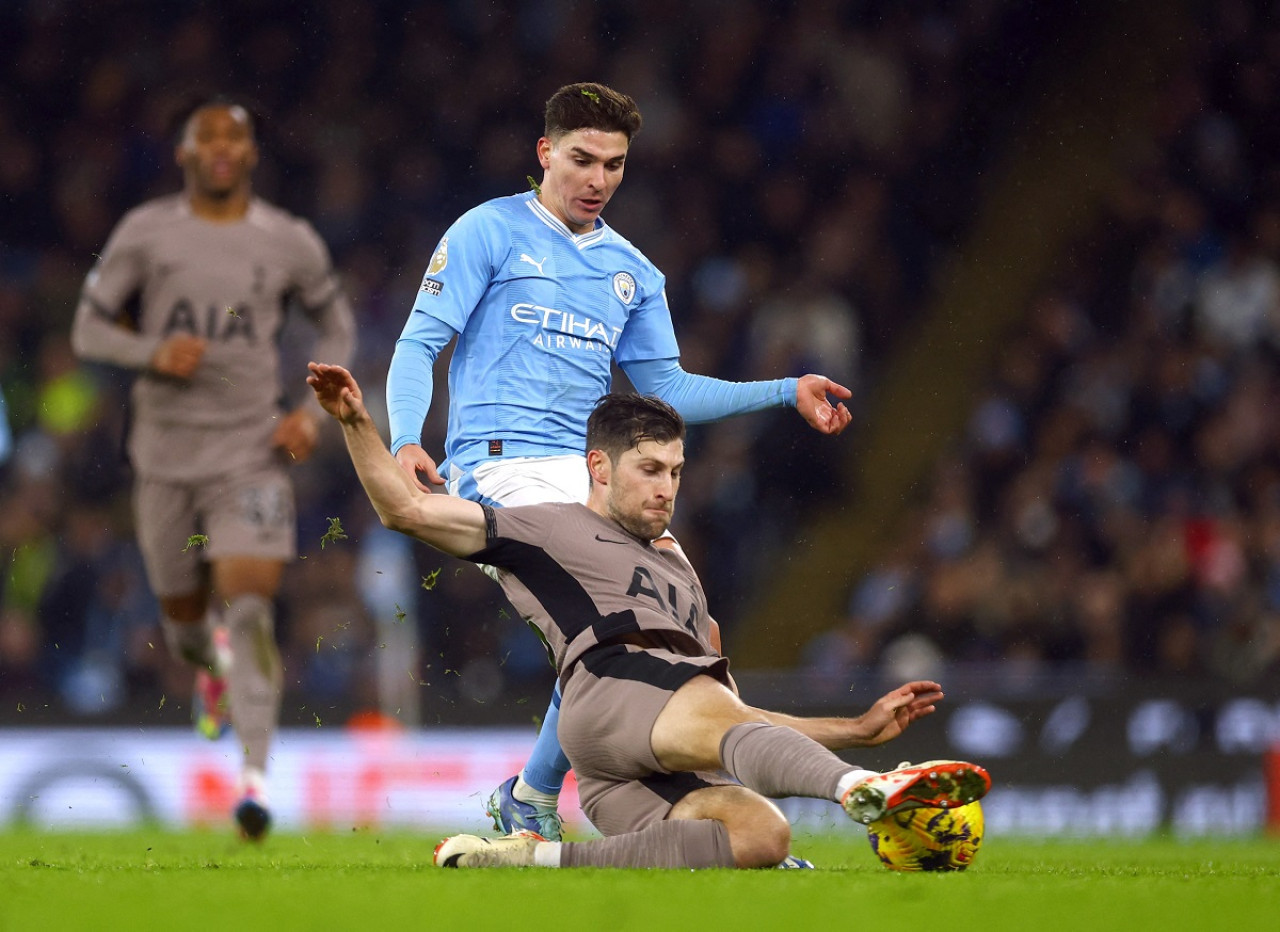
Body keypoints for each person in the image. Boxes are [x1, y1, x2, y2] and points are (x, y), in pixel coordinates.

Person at [386, 80, 854, 842]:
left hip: (588, 475)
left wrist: (783, 390)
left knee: (692, 635)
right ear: (545, 153)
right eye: (581, 159)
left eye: (615, 164)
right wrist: (407, 436)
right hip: (502, 469)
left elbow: (666, 389)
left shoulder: (632, 271)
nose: (598, 180)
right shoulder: (488, 231)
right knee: (620, 625)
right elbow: (420, 342)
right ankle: (550, 796)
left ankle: (654, 813)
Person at [309, 362, 989, 869]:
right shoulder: (547, 526)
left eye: (675, 471)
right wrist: (355, 423)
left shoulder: (680, 571)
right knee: (720, 724)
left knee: (761, 835)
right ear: (598, 468)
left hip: (627, 776)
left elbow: (730, 721)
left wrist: (856, 729)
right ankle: (866, 792)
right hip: (609, 687)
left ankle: (532, 860)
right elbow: (408, 510)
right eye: (650, 470)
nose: (666, 488)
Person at [70, 97, 357, 839]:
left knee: (254, 606)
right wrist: (150, 352)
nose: (223, 149)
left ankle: (254, 784)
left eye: (236, 137)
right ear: (185, 154)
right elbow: (88, 326)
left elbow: (337, 322)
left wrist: (315, 406)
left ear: (252, 152)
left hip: (249, 453)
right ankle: (210, 665)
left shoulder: (287, 239)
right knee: (187, 627)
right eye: (209, 138)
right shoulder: (147, 232)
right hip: (164, 457)